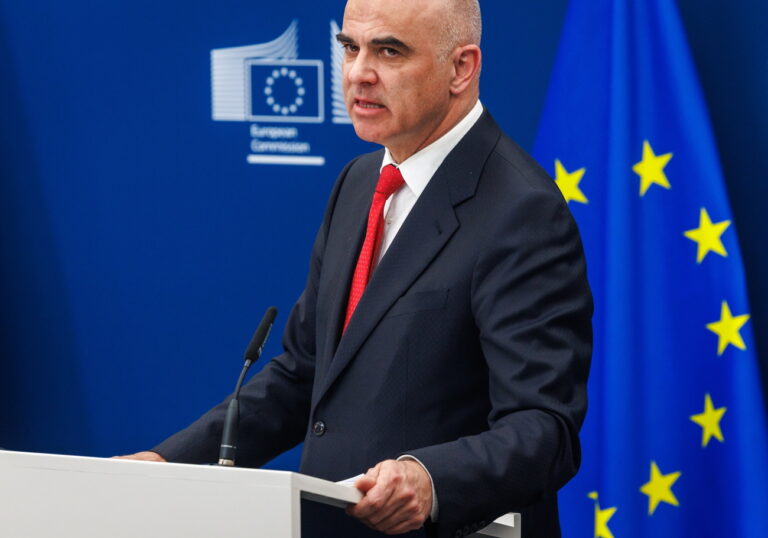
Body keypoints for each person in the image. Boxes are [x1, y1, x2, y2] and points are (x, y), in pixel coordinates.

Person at [118, 1, 592, 536]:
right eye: (350, 47)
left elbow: (545, 430)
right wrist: (169, 465)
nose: (357, 73)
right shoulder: (359, 181)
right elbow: (304, 374)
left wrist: (429, 479)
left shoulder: (520, 211)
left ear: (461, 68)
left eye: (389, 51)